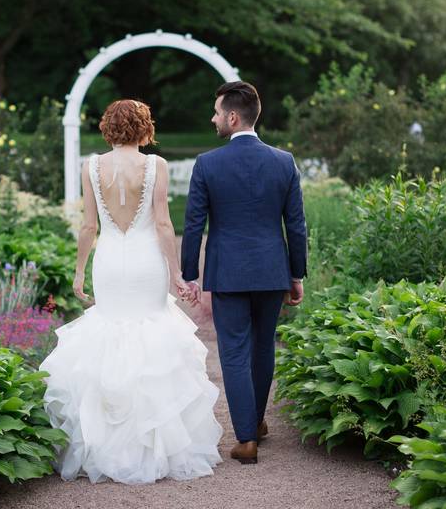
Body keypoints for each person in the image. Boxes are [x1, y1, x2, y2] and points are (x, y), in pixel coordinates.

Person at [39, 99, 223, 484]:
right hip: (144, 262)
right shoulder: (155, 165)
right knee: (152, 333)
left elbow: (89, 226)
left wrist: (78, 272)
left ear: (108, 127)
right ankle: (152, 443)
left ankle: (104, 441)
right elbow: (161, 224)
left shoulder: (91, 166)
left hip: (108, 262)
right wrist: (176, 272)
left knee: (109, 331)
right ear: (144, 127)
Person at [181, 81, 308, 465]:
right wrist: (296, 274)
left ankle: (246, 438)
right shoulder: (283, 161)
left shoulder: (208, 164)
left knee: (234, 352)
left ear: (233, 117)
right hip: (272, 270)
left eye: (217, 112)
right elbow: (297, 226)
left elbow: (193, 224)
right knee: (263, 346)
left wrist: (191, 274)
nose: (213, 118)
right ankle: (254, 422)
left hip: (229, 273)